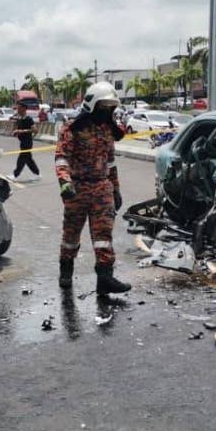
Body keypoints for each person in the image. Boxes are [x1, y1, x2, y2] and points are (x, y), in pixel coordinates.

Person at [55, 82, 130, 294]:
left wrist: (115, 189)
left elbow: (111, 162)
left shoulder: (107, 129)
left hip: (102, 187)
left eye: (110, 107)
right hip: (77, 189)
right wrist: (65, 182)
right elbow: (61, 158)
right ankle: (66, 270)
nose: (106, 111)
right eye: (103, 106)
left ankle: (105, 278)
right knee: (71, 236)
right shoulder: (72, 128)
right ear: (92, 105)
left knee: (103, 236)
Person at [12, 101, 41, 181]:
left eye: (19, 108)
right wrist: (16, 132)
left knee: (21, 158)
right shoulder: (20, 119)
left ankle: (15, 175)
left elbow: (35, 130)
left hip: (27, 142)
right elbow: (19, 130)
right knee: (28, 160)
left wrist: (22, 131)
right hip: (22, 142)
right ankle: (37, 174)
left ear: (24, 109)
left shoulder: (28, 119)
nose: (17, 110)